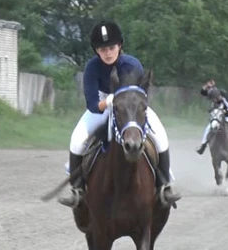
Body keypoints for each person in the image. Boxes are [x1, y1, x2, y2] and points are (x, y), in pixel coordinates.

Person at [58, 21, 181, 209]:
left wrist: (122, 101)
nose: (107, 52)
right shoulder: (92, 68)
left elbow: (139, 94)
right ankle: (77, 190)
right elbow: (92, 104)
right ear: (96, 51)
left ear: (120, 46)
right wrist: (108, 102)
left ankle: (164, 186)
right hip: (103, 103)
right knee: (77, 139)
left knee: (161, 137)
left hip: (131, 105)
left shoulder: (132, 64)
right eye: (102, 49)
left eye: (111, 47)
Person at [196, 79, 228, 157]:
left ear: (218, 97)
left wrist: (224, 111)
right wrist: (206, 86)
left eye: (214, 99)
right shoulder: (212, 93)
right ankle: (203, 145)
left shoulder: (224, 96)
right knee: (208, 128)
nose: (213, 101)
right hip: (218, 116)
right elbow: (203, 92)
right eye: (212, 99)